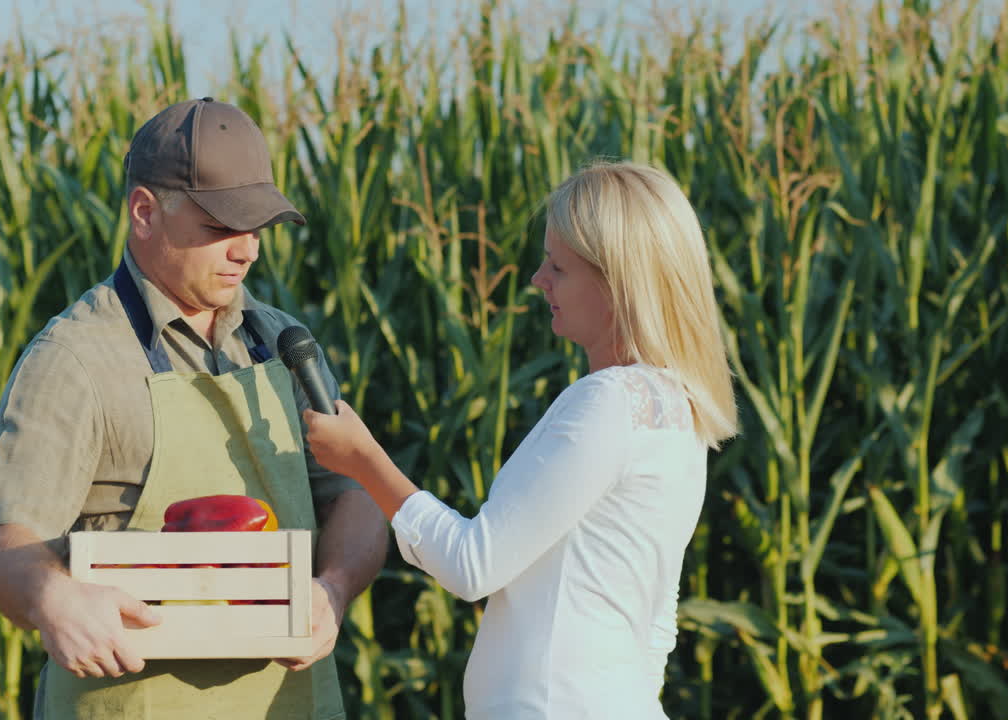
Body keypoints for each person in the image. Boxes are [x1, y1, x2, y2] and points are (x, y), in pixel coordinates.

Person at [0, 98, 387, 720]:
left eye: (258, 227)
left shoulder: (282, 344)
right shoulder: (74, 359)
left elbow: (356, 494)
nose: (248, 251)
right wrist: (52, 598)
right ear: (144, 212)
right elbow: (7, 546)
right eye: (222, 226)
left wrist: (333, 589)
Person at [304, 161, 738, 719]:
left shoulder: (610, 401)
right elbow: (657, 622)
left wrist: (363, 461)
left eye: (558, 266)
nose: (539, 280)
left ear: (617, 283)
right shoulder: (676, 408)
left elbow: (472, 564)